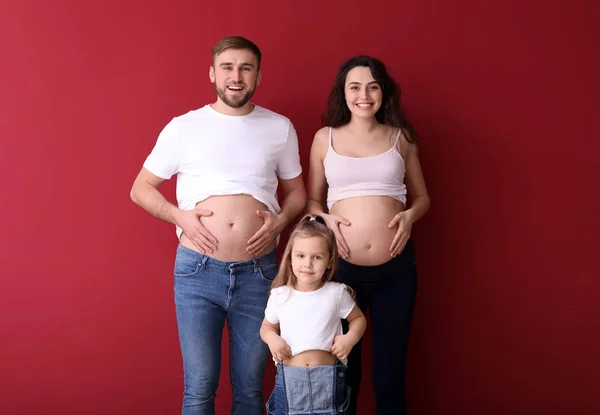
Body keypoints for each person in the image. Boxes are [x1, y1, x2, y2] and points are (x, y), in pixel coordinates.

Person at [130, 36, 306, 415]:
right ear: (212, 73)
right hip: (197, 270)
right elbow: (140, 188)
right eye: (227, 67)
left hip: (259, 273)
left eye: (246, 68)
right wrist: (178, 216)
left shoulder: (279, 127)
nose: (236, 76)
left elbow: (297, 194)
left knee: (249, 388)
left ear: (258, 76)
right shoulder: (184, 127)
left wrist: (279, 222)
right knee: (199, 388)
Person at [306, 56, 431, 415]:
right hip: (342, 274)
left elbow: (422, 198)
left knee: (390, 374)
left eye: (373, 86)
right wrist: (325, 220)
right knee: (345, 372)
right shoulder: (323, 138)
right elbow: (313, 200)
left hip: (396, 271)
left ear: (383, 92)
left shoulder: (400, 137)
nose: (364, 95)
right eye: (355, 87)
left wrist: (408, 216)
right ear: (342, 93)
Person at [260, 214, 367, 415]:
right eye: (300, 256)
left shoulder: (336, 292)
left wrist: (349, 339)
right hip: (290, 379)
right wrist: (273, 340)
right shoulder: (280, 295)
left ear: (329, 261)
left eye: (316, 257)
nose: (308, 264)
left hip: (329, 380)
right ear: (290, 258)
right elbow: (266, 327)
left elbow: (358, 319)